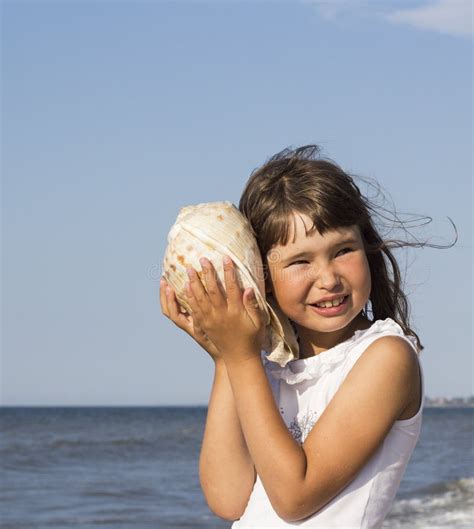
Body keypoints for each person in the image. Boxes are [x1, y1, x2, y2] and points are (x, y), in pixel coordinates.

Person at [160, 145, 455, 527]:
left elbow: (294, 497)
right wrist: (225, 358)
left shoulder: (386, 357)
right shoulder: (266, 367)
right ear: (260, 276)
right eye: (301, 261)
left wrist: (243, 359)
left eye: (343, 250)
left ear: (368, 249)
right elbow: (228, 498)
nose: (329, 279)